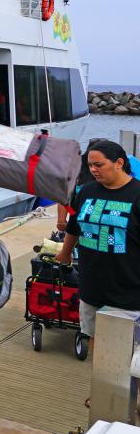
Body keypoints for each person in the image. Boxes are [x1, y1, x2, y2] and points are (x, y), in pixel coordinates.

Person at [56, 140, 140, 367]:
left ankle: (134, 396)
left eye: (99, 165)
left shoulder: (137, 194)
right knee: (96, 339)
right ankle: (103, 390)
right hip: (92, 284)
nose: (93, 169)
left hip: (129, 288)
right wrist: (64, 253)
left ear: (119, 163)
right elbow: (74, 227)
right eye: (90, 165)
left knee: (130, 347)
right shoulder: (87, 192)